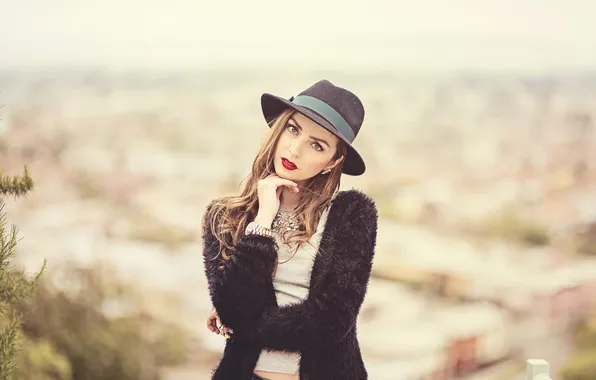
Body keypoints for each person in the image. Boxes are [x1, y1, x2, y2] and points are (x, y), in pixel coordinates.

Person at [201, 79, 378, 380]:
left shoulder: (352, 215)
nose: (295, 150)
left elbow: (333, 322)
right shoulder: (224, 217)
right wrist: (261, 224)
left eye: (316, 145)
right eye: (293, 129)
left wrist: (246, 325)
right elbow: (233, 307)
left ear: (332, 161)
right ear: (278, 128)